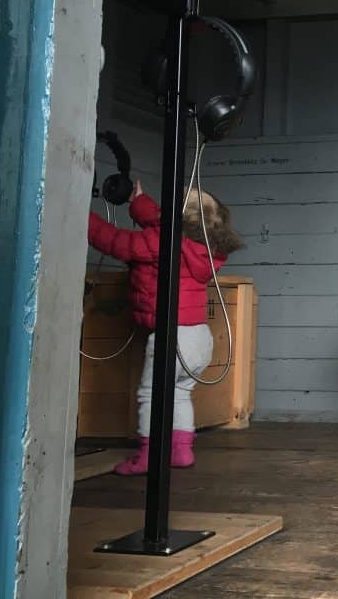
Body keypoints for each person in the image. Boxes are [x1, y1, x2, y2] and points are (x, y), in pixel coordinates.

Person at [87, 182, 243, 474]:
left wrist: (81, 214)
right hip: (199, 337)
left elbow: (113, 241)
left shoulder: (161, 242)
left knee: (151, 394)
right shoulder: (203, 247)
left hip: (172, 337)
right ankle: (181, 450)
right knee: (180, 393)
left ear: (180, 219)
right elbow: (160, 219)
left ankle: (147, 455)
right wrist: (139, 200)